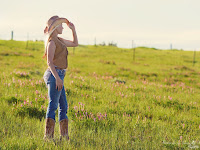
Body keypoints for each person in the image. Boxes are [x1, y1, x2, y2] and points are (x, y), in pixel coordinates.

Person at [42, 15, 78, 141]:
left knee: (64, 106)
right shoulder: (52, 42)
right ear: (56, 27)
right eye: (61, 25)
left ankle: (64, 136)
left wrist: (73, 30)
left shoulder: (60, 40)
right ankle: (48, 137)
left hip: (59, 75)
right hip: (54, 74)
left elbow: (75, 43)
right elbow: (49, 62)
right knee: (53, 105)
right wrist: (57, 78)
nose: (63, 27)